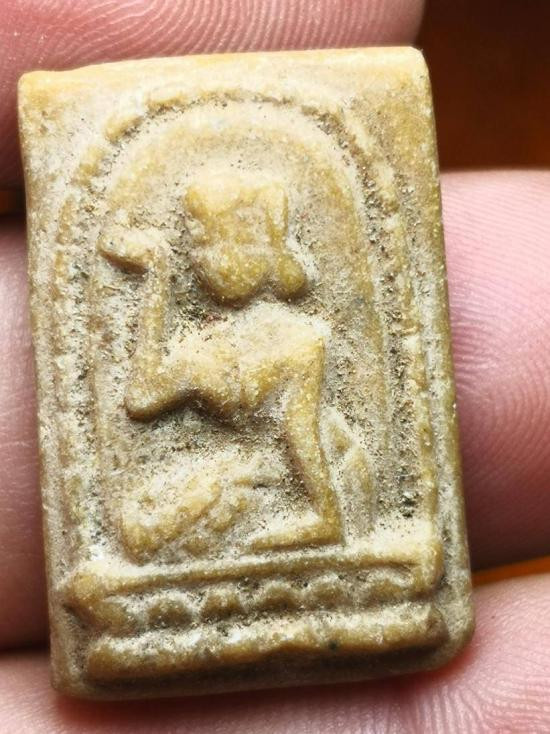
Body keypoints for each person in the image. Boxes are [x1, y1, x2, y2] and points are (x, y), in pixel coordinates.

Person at [0, 1, 549, 730]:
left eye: (215, 243)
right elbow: (142, 396)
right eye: (193, 245)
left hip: (318, 475)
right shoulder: (211, 340)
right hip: (248, 475)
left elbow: (302, 436)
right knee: (133, 531)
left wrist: (321, 521)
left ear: (261, 254)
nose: (201, 258)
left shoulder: (299, 338)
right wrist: (156, 278)